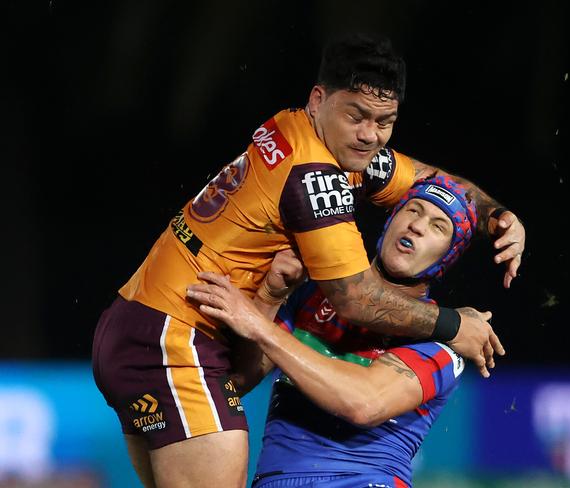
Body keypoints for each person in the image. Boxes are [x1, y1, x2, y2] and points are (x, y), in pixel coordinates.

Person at [92, 34, 523, 487]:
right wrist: (457, 326)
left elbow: (436, 181)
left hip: (140, 324)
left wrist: (497, 215)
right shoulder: (315, 179)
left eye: (385, 121)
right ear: (318, 100)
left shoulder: (301, 132)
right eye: (356, 116)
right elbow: (356, 299)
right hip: (174, 336)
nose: (370, 135)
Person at [187, 175, 483, 488]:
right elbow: (239, 380)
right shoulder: (311, 292)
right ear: (391, 219)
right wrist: (269, 298)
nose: (418, 226)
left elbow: (364, 404)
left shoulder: (446, 340)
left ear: (446, 258)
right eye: (413, 210)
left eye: (438, 226)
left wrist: (257, 324)